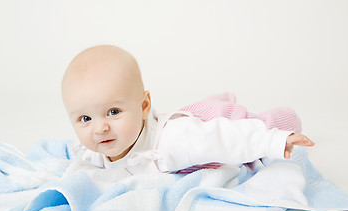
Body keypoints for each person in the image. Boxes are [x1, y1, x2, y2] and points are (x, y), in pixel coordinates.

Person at [61, 45, 314, 175]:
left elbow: (224, 139)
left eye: (113, 112)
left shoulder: (176, 141)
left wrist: (276, 139)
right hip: (186, 118)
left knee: (248, 123)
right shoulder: (95, 146)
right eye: (85, 118)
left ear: (144, 106)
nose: (100, 127)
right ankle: (220, 98)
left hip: (207, 124)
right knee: (204, 112)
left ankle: (282, 120)